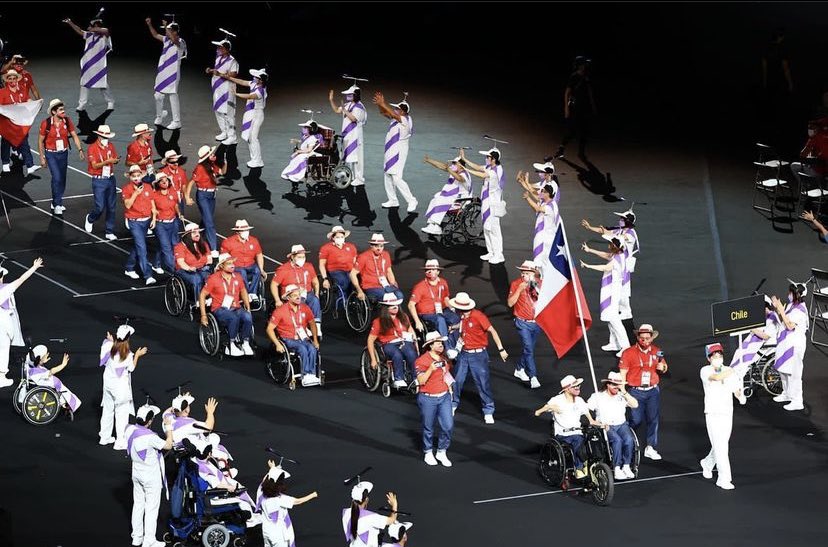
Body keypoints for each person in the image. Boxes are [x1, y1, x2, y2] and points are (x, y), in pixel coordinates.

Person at [448, 292, 508, 423]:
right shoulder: (463, 317)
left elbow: (492, 330)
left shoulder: (479, 316)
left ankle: (488, 410)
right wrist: (453, 327)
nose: (460, 312)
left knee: (482, 383)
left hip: (478, 355)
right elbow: (463, 326)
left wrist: (501, 349)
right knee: (457, 380)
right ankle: (453, 403)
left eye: (461, 310)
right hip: (464, 353)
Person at [125, 403, 174, 547]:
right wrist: (169, 427)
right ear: (150, 421)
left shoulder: (129, 429)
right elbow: (168, 445)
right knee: (151, 508)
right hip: (150, 477)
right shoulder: (151, 437)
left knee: (138, 505)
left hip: (136, 473)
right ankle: (149, 540)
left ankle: (137, 537)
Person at [534, 375, 601, 478]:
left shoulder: (580, 400)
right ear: (566, 389)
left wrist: (601, 424)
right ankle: (580, 467)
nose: (578, 387)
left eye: (578, 385)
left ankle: (592, 464)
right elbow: (538, 412)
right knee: (577, 441)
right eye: (575, 386)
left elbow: (591, 420)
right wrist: (550, 407)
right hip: (563, 434)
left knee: (592, 439)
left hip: (578, 432)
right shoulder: (557, 400)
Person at [699, 342, 746, 491]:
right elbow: (716, 377)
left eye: (720, 355)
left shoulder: (728, 370)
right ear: (709, 358)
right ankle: (723, 478)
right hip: (713, 412)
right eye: (714, 356)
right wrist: (734, 370)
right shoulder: (705, 370)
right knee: (721, 447)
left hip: (727, 412)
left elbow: (735, 388)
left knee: (721, 444)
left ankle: (707, 463)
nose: (718, 358)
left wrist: (740, 396)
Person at [618, 323, 668, 460]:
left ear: (652, 338)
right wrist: (622, 390)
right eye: (642, 338)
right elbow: (623, 372)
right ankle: (626, 439)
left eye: (647, 338)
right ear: (638, 338)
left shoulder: (657, 351)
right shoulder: (628, 353)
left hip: (652, 391)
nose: (645, 341)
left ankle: (650, 447)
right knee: (636, 419)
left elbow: (664, 367)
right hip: (636, 391)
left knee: (653, 419)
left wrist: (662, 367)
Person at [99, 324, 149, 450]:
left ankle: (104, 437)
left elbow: (108, 345)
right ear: (127, 339)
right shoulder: (127, 354)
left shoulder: (107, 346)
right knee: (121, 414)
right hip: (120, 388)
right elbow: (131, 368)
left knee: (107, 410)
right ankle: (120, 442)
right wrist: (137, 355)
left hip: (108, 385)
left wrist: (110, 340)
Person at [580, 234, 630, 353]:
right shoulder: (618, 254)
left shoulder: (618, 258)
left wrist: (588, 266)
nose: (608, 244)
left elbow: (606, 268)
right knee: (609, 317)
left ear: (615, 246)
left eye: (611, 243)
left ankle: (625, 346)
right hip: (610, 289)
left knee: (614, 319)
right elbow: (607, 255)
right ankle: (614, 343)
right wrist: (590, 250)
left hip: (612, 290)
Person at [200, 253, 254, 357]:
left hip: (236, 307)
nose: (233, 265)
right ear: (221, 266)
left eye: (233, 263)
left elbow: (243, 291)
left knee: (248, 317)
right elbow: (202, 295)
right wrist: (203, 315)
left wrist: (248, 306)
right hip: (220, 308)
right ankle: (231, 344)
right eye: (229, 264)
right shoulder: (213, 279)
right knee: (233, 318)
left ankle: (245, 343)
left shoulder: (237, 277)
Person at [587, 371, 639, 480]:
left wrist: (624, 391)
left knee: (629, 439)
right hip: (606, 426)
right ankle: (617, 468)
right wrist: (595, 422)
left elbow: (635, 404)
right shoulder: (598, 396)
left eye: (619, 385)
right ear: (608, 384)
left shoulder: (622, 395)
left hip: (621, 424)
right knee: (617, 440)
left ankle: (626, 466)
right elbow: (586, 409)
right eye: (615, 385)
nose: (617, 387)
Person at [267, 284, 321, 387]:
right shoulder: (280, 311)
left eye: (299, 295)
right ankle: (305, 374)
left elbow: (313, 324)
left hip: (303, 337)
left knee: (312, 348)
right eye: (294, 295)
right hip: (288, 338)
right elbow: (269, 329)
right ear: (288, 297)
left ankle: (312, 374)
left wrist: (315, 340)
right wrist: (277, 344)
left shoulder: (305, 308)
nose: (298, 297)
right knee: (302, 349)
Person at [213, 68, 268, 168]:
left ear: (260, 80)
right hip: (252, 113)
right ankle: (254, 159)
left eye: (255, 77)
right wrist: (229, 77)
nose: (253, 78)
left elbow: (250, 96)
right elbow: (242, 82)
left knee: (253, 138)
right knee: (250, 138)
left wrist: (236, 94)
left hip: (257, 114)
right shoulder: (254, 84)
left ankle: (258, 160)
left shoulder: (260, 91)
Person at [459, 147, 506, 264]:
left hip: (493, 205)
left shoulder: (495, 171)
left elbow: (481, 174)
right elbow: (478, 167)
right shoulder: (490, 167)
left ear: (493, 159)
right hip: (486, 202)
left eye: (487, 157)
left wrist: (465, 169)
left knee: (494, 229)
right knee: (486, 228)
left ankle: (499, 255)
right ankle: (491, 252)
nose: (486, 159)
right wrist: (465, 159)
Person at [37, 98, 84, 215]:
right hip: (51, 154)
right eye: (61, 110)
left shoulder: (67, 121)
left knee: (62, 179)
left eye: (63, 109)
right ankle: (58, 204)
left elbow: (74, 135)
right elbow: (40, 141)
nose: (64, 111)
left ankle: (55, 200)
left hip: (63, 153)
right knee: (57, 177)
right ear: (54, 112)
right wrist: (42, 157)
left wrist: (80, 149)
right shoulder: (46, 123)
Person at [0, 258, 42, 388]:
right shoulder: (4, 289)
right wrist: (34, 267)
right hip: (3, 321)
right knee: (3, 349)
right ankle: (1, 377)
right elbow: (21, 279)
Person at [256, 461, 318, 547]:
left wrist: (272, 468)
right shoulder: (280, 499)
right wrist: (313, 495)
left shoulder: (261, 493)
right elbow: (298, 501)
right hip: (278, 535)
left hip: (266, 531)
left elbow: (266, 480)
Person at [415, 331, 454, 467]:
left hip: (444, 397)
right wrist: (430, 369)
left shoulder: (444, 359)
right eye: (438, 343)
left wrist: (450, 391)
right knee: (428, 427)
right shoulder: (421, 361)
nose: (441, 345)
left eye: (441, 343)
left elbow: (447, 374)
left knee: (448, 426)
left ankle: (442, 451)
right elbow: (421, 381)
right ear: (430, 345)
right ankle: (428, 451)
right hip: (427, 399)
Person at [373, 92, 417, 211]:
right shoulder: (396, 118)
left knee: (396, 178)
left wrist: (383, 103)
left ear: (402, 111)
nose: (394, 110)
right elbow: (383, 112)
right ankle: (393, 200)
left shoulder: (405, 120)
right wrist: (379, 105)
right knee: (387, 175)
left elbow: (393, 114)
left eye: (397, 109)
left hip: (399, 151)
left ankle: (411, 200)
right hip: (390, 150)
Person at [770, 280, 809, 411]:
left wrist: (781, 309)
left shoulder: (800, 310)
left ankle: (797, 400)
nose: (788, 294)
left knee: (794, 373)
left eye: (791, 293)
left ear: (797, 294)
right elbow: (783, 320)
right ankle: (787, 394)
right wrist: (778, 308)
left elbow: (790, 325)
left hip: (795, 344)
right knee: (782, 369)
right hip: (785, 342)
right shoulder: (791, 305)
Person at [62, 15, 114, 111]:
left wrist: (92, 28)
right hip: (88, 63)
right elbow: (79, 31)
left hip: (99, 64)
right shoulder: (89, 35)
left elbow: (105, 30)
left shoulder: (105, 36)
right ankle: (82, 104)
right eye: (95, 25)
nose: (95, 27)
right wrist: (70, 23)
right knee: (84, 83)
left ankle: (110, 102)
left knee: (103, 83)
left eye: (97, 25)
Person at [368, 293, 418, 389]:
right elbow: (370, 340)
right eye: (392, 306)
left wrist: (413, 339)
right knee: (397, 354)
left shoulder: (403, 317)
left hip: (404, 340)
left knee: (411, 353)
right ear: (386, 308)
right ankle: (399, 378)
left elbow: (410, 329)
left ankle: (416, 377)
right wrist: (373, 359)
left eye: (396, 305)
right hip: (388, 344)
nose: (395, 307)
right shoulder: (378, 321)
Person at [185, 145, 227, 255]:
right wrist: (187, 197)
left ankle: (197, 238)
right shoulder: (200, 168)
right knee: (209, 222)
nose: (214, 155)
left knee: (207, 219)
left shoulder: (212, 165)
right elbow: (190, 183)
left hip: (212, 195)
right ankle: (213, 248)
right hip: (203, 195)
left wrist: (225, 163)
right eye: (211, 154)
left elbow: (222, 172)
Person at [146, 17, 187, 130]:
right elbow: (155, 35)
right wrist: (150, 24)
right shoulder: (166, 40)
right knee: (158, 95)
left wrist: (165, 26)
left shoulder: (180, 42)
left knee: (173, 95)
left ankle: (176, 121)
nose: (166, 32)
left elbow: (175, 40)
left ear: (175, 31)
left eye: (169, 30)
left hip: (173, 74)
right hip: (163, 72)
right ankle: (160, 115)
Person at [507, 260, 543, 389]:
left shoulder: (540, 284)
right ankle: (533, 376)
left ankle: (519, 368)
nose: (523, 275)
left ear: (533, 274)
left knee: (529, 349)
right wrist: (519, 290)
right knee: (528, 348)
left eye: (527, 273)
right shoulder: (516, 284)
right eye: (522, 273)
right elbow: (510, 303)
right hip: (522, 322)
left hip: (537, 322)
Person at [272, 245, 322, 336]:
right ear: (292, 257)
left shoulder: (309, 266)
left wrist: (317, 293)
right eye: (299, 257)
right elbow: (274, 285)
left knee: (315, 300)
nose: (302, 259)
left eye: (303, 257)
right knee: (300, 301)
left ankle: (317, 327)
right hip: (292, 295)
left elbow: (315, 281)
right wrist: (277, 300)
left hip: (307, 293)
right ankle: (304, 327)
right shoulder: (283, 269)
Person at [554, 56, 597, 160]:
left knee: (584, 131)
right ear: (580, 65)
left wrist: (593, 105)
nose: (586, 65)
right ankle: (561, 149)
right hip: (574, 107)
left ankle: (581, 153)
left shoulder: (587, 76)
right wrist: (566, 108)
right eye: (584, 64)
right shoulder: (574, 77)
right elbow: (567, 93)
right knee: (571, 131)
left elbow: (590, 92)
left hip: (585, 107)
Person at [408, 259, 460, 344]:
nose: (430, 271)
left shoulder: (443, 282)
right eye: (428, 270)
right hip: (427, 314)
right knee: (440, 319)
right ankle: (447, 347)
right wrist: (417, 321)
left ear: (438, 271)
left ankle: (456, 344)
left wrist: (452, 308)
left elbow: (446, 298)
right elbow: (411, 305)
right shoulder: (420, 286)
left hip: (442, 310)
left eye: (433, 269)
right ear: (425, 272)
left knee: (456, 318)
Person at [122, 165, 159, 285]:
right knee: (142, 248)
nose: (137, 178)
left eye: (138, 176)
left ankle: (129, 267)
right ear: (130, 177)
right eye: (134, 176)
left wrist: (153, 218)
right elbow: (127, 205)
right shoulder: (127, 189)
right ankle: (148, 275)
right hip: (134, 221)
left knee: (138, 245)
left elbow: (152, 203)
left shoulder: (148, 187)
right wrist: (136, 194)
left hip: (146, 220)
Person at [0, 69, 40, 176]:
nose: (12, 80)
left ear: (17, 79)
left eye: (14, 78)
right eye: (10, 78)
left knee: (24, 142)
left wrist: (36, 103)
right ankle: (5, 163)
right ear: (7, 81)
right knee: (6, 142)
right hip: (7, 123)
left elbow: (27, 101)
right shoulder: (2, 92)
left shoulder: (22, 90)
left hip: (19, 122)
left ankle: (30, 166)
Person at [421, 155, 472, 236]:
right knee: (435, 198)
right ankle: (432, 224)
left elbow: (460, 179)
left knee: (440, 200)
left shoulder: (465, 174)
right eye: (452, 163)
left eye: (455, 163)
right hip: (453, 197)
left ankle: (437, 226)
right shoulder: (454, 171)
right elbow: (442, 166)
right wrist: (429, 160)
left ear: (461, 165)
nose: (453, 165)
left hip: (461, 201)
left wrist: (449, 169)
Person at [84, 124, 120, 240]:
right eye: (104, 137)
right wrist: (107, 161)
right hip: (98, 180)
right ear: (99, 136)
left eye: (107, 137)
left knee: (111, 206)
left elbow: (113, 159)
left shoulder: (111, 146)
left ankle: (109, 230)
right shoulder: (92, 148)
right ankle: (90, 218)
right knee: (100, 206)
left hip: (110, 178)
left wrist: (114, 161)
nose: (106, 139)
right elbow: (94, 165)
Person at [329, 83, 368, 186]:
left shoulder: (359, 107)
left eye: (350, 94)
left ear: (355, 95)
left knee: (357, 157)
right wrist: (331, 100)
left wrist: (344, 109)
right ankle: (351, 177)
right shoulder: (347, 104)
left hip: (355, 135)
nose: (347, 96)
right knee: (348, 156)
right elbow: (337, 110)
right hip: (347, 134)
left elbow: (354, 118)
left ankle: (359, 179)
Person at [24, 344, 82, 413]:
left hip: (39, 378)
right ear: (40, 358)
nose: (47, 355)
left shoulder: (29, 362)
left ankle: (66, 403)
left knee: (59, 384)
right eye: (45, 355)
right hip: (46, 382)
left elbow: (36, 362)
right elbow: (51, 371)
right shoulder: (36, 372)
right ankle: (68, 403)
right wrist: (63, 365)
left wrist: (42, 361)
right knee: (61, 387)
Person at [221, 219, 266, 303]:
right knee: (242, 272)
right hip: (236, 266)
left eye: (247, 230)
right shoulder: (228, 242)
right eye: (243, 230)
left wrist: (262, 269)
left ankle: (252, 293)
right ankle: (246, 294)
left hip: (250, 265)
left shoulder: (254, 240)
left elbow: (259, 255)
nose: (246, 232)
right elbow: (224, 258)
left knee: (257, 271)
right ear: (238, 232)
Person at [351, 234, 404, 302]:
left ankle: (396, 312)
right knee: (388, 297)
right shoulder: (364, 257)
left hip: (385, 286)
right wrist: (359, 290)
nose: (379, 248)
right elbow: (352, 274)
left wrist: (392, 283)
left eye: (381, 246)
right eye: (376, 246)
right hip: (371, 287)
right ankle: (383, 312)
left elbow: (389, 271)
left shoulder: (386, 254)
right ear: (371, 246)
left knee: (400, 295)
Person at [342, 482, 398, 547]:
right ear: (366, 500)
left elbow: (353, 508)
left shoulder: (345, 514)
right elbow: (391, 520)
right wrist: (394, 505)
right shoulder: (370, 517)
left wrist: (358, 488)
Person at [206, 37, 238, 146]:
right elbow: (217, 71)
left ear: (226, 49)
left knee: (228, 113)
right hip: (218, 89)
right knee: (218, 111)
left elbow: (233, 75)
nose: (218, 48)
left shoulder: (232, 61)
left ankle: (232, 136)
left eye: (220, 47)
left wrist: (219, 74)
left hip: (227, 90)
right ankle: (224, 132)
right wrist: (210, 70)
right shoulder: (218, 58)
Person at [522, 184, 559, 276]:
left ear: (548, 194)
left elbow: (537, 208)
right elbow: (536, 208)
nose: (541, 193)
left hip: (546, 238)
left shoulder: (550, 206)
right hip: (541, 235)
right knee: (539, 258)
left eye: (543, 191)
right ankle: (541, 276)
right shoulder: (546, 202)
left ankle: (545, 278)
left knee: (543, 259)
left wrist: (528, 198)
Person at [174, 223, 213, 302]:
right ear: (188, 235)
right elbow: (181, 262)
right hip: (185, 270)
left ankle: (211, 299)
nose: (197, 234)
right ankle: (199, 301)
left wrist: (206, 266)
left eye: (198, 232)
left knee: (209, 277)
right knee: (196, 278)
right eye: (194, 233)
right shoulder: (180, 247)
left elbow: (209, 258)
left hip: (201, 268)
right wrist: (189, 268)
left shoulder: (204, 244)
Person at [151, 172, 181, 274]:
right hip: (161, 224)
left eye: (166, 180)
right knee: (166, 247)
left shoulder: (172, 193)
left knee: (174, 244)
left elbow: (175, 204)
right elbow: (151, 208)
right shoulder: (154, 195)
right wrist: (154, 218)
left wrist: (179, 214)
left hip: (172, 222)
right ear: (158, 183)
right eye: (162, 181)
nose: (165, 182)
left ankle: (156, 264)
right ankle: (175, 270)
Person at [319, 225, 359, 297]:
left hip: (350, 270)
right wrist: (325, 278)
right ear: (333, 238)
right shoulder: (326, 248)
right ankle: (343, 302)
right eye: (337, 237)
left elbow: (354, 261)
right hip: (335, 271)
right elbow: (321, 264)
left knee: (359, 279)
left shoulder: (351, 246)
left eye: (342, 237)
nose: (340, 238)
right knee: (343, 281)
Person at [789, 120, 828, 193]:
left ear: (816, 129)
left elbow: (802, 154)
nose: (809, 130)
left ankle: (805, 187)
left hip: (818, 171)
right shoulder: (824, 137)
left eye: (811, 128)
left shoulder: (815, 138)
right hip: (824, 172)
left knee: (793, 166)